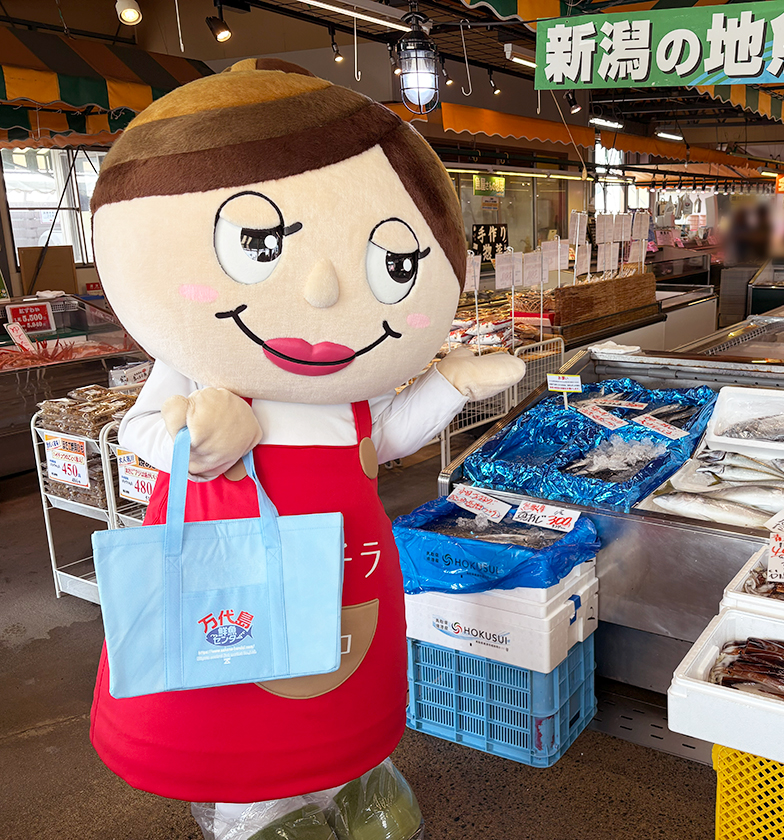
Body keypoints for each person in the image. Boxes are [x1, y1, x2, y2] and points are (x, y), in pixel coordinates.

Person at [88, 58, 525, 838]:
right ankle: (253, 819)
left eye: (392, 265)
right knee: (243, 708)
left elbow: (381, 438)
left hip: (343, 564)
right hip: (230, 568)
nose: (323, 292)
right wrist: (202, 432)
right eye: (258, 244)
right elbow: (141, 432)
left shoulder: (353, 386)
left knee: (333, 694)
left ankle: (341, 791)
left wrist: (451, 384)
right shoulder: (200, 358)